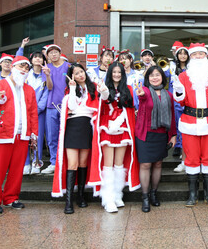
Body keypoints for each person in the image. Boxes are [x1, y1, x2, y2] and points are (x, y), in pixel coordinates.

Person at [51, 63, 109, 214]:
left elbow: (105, 98)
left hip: (87, 126)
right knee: (72, 163)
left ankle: (81, 196)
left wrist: (104, 90)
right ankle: (69, 201)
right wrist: (71, 88)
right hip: (72, 126)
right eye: (76, 73)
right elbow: (72, 106)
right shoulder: (70, 90)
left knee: (83, 163)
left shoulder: (94, 86)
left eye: (81, 72)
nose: (80, 75)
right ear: (72, 76)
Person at [0, 56, 38, 214]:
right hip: (2, 134)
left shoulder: (29, 90)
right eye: (21, 66)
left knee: (17, 169)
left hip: (22, 135)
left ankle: (11, 197)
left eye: (27, 68)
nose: (24, 70)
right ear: (13, 67)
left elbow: (33, 113)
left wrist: (33, 134)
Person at [173, 43, 208, 207]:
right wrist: (179, 91)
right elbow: (180, 100)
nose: (199, 57)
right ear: (190, 57)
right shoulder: (183, 76)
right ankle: (192, 195)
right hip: (189, 121)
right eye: (195, 54)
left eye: (202, 54)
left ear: (206, 56)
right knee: (192, 158)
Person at [88, 62, 140, 213]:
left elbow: (130, 109)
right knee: (108, 164)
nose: (117, 74)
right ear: (110, 73)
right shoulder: (102, 87)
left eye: (119, 72)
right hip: (108, 128)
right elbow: (100, 105)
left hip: (123, 127)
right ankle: (107, 198)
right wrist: (103, 93)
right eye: (114, 72)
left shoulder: (128, 88)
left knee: (119, 164)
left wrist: (121, 120)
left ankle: (117, 194)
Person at [135, 66, 177, 212]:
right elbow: (142, 97)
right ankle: (145, 197)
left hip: (161, 134)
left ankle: (154, 194)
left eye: (157, 75)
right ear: (148, 78)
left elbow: (172, 115)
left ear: (162, 77)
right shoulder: (145, 91)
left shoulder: (168, 95)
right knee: (145, 164)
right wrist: (140, 94)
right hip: (145, 134)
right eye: (151, 75)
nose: (154, 77)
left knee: (158, 164)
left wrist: (173, 135)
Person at [42, 44, 71, 174]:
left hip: (67, 105)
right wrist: (48, 75)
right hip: (52, 106)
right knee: (52, 135)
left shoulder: (68, 66)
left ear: (60, 53)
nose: (53, 55)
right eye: (50, 53)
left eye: (55, 52)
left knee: (67, 135)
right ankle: (54, 162)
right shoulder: (47, 68)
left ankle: (67, 161)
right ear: (47, 56)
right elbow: (49, 87)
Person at [22, 52, 51, 175]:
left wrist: (36, 110)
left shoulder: (46, 75)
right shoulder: (25, 75)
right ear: (31, 60)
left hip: (39, 112)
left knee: (37, 138)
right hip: (24, 111)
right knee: (24, 137)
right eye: (35, 57)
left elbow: (46, 95)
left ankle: (36, 162)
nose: (38, 59)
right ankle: (25, 163)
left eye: (40, 57)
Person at [169, 46, 190, 170]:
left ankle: (187, 155)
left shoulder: (191, 68)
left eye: (184, 53)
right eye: (180, 53)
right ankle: (179, 147)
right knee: (177, 124)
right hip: (176, 100)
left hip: (188, 101)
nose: (182, 56)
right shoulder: (172, 67)